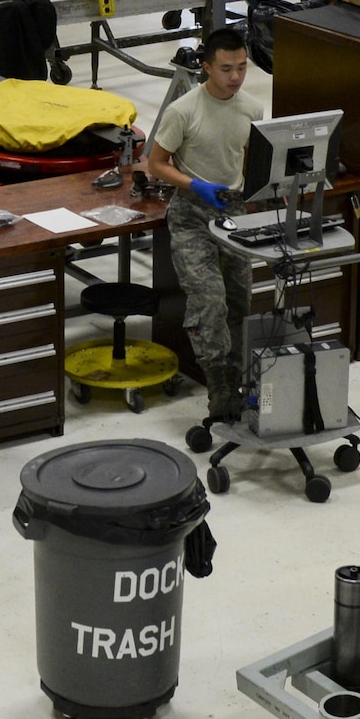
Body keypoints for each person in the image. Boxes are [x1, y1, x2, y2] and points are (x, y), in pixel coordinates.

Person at [143, 28, 262, 423]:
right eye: (226, 68)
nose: (235, 76)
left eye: (242, 67)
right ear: (207, 67)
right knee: (209, 301)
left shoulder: (251, 108)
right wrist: (195, 185)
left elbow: (244, 158)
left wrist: (246, 193)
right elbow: (156, 163)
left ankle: (242, 379)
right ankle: (219, 386)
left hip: (232, 213)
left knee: (240, 302)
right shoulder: (184, 110)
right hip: (192, 215)